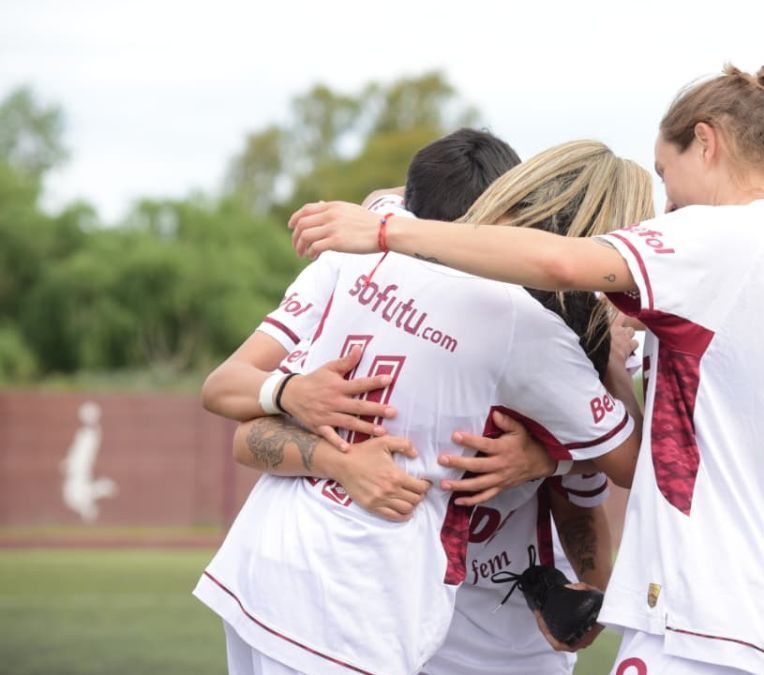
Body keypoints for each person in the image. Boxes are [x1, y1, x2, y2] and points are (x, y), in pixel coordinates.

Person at [288, 60, 764, 675]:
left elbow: (565, 265)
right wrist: (588, 407)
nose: (666, 202)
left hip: (703, 601)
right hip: (734, 592)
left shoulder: (724, 234)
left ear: (706, 141)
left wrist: (388, 230)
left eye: (665, 173)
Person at [195, 138, 652, 675]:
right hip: (361, 600)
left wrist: (551, 460)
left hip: (269, 571)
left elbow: (386, 198)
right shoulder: (529, 328)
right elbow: (634, 463)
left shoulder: (361, 251)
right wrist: (607, 386)